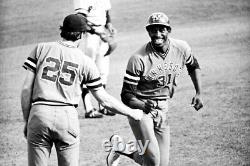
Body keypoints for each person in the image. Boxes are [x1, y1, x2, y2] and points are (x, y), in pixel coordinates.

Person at [20, 13, 143, 166]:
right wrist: (132, 112)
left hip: (39, 114)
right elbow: (103, 100)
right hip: (67, 117)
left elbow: (26, 90)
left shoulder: (41, 49)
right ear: (81, 35)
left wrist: (27, 121)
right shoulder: (85, 61)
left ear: (62, 31)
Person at [106, 12, 204, 166]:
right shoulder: (138, 58)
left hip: (163, 108)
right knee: (153, 161)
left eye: (162, 29)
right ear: (148, 32)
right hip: (140, 110)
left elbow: (193, 66)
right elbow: (126, 95)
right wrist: (144, 106)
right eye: (153, 30)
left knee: (160, 164)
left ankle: (121, 149)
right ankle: (123, 149)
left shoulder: (181, 48)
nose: (157, 34)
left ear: (168, 30)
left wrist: (198, 93)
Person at [73, 0, 117, 118]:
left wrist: (109, 25)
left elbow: (106, 13)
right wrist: (96, 31)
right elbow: (80, 21)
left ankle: (103, 107)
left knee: (103, 72)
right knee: (87, 72)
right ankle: (88, 109)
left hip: (102, 33)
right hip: (88, 36)